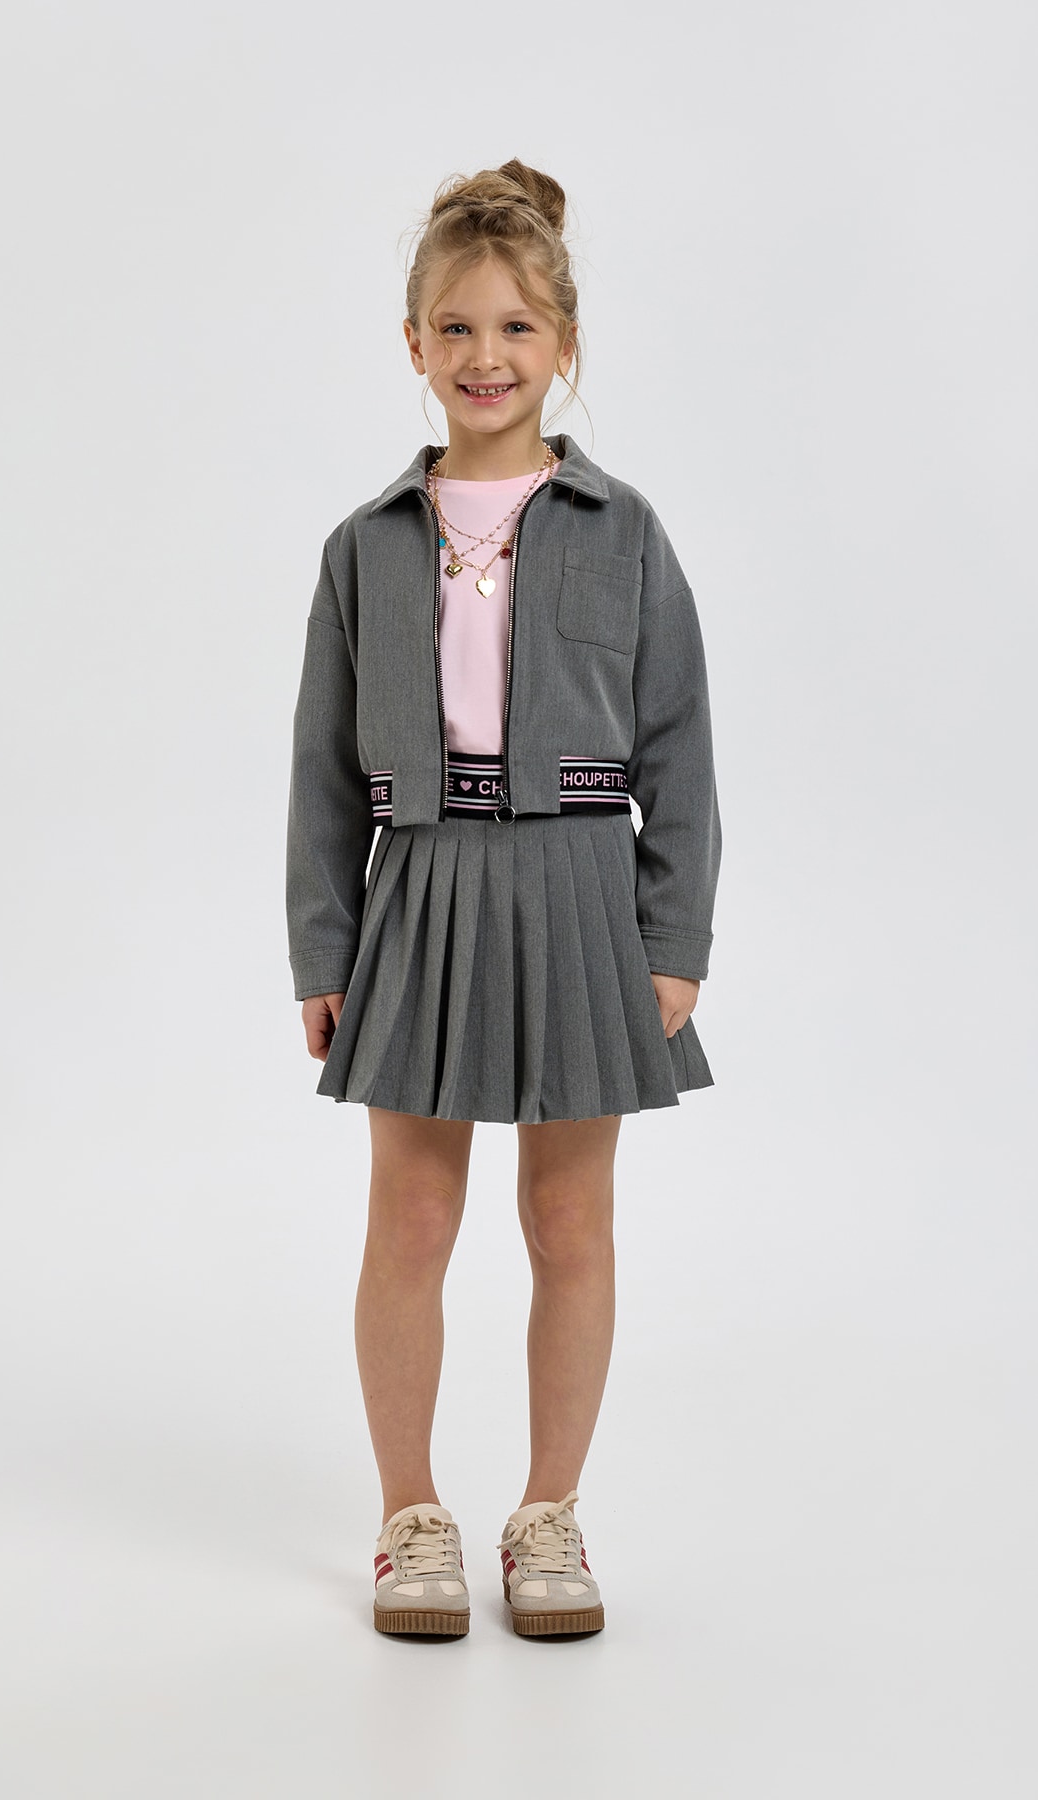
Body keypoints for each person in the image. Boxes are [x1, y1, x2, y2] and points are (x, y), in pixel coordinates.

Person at [285, 159, 723, 1638]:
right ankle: (410, 1516)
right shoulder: (365, 548)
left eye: (518, 328)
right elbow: (322, 772)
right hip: (420, 893)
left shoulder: (625, 530)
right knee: (412, 1215)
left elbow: (680, 749)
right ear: (413, 342)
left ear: (566, 345)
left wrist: (672, 939)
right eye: (458, 327)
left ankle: (550, 1516)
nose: (488, 357)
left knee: (569, 1217)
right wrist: (325, 947)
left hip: (584, 894)